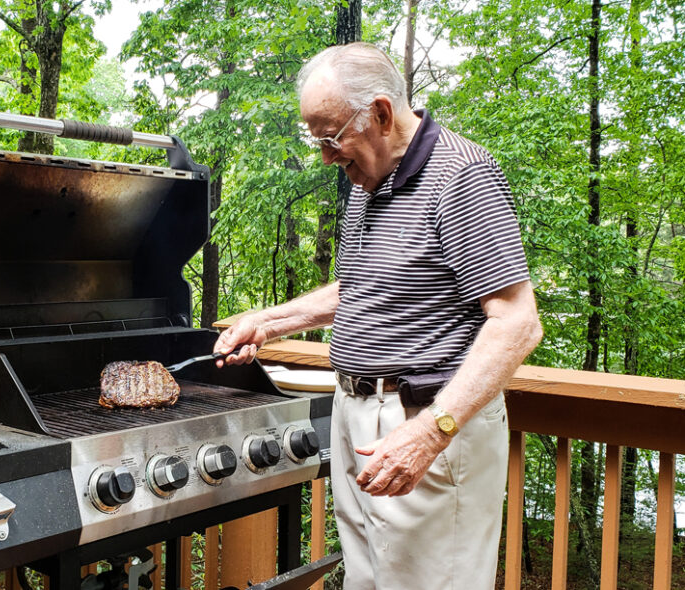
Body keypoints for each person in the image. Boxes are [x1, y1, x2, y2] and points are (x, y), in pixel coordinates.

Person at [214, 42, 543, 589]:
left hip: (427, 422)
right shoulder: (368, 183)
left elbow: (516, 320)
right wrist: (269, 322)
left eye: (331, 137)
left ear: (382, 114)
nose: (325, 156)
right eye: (315, 139)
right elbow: (360, 288)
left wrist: (430, 433)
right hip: (357, 416)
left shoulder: (461, 174)